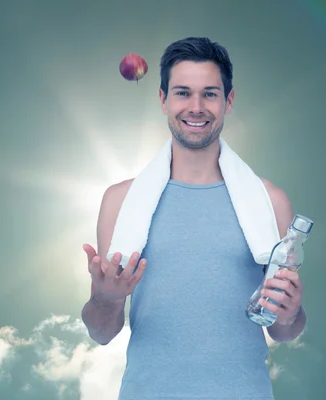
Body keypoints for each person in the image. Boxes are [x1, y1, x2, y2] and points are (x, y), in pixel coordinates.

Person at [81, 36, 307, 399]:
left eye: (210, 94)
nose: (196, 107)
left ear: (228, 101)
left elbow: (285, 331)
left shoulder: (270, 201)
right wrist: (106, 299)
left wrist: (290, 313)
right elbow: (102, 332)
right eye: (183, 93)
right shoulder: (120, 201)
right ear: (163, 100)